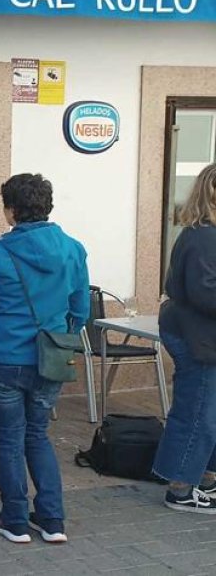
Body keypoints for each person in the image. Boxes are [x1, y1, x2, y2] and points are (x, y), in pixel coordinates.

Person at [0, 173, 89, 545]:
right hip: (51, 357)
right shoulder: (73, 248)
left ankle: (15, 520)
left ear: (11, 209)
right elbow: (80, 312)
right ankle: (52, 520)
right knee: (38, 435)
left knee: (9, 439)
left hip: (2, 357)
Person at [155, 162, 216, 514]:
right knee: (197, 413)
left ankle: (203, 477)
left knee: (203, 409)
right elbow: (204, 292)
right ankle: (180, 488)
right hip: (198, 337)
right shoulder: (204, 236)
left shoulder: (201, 233)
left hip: (196, 334)